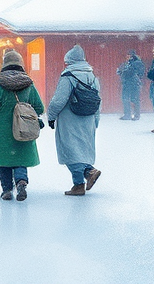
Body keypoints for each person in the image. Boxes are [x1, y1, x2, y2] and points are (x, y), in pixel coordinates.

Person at [0, 49, 43, 201]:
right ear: (20, 63)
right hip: (23, 129)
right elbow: (39, 107)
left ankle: (7, 189)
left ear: (5, 64)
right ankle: (21, 181)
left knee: (3, 161)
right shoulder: (28, 83)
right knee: (20, 159)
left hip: (1, 132)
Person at [47, 45, 102, 196]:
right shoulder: (92, 77)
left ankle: (82, 180)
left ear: (69, 61)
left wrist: (51, 116)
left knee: (70, 150)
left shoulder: (68, 77)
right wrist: (96, 120)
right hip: (88, 119)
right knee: (82, 149)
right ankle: (86, 174)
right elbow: (98, 101)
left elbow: (58, 100)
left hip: (70, 120)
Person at [116, 50, 145, 121]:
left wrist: (125, 72)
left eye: (129, 55)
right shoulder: (127, 63)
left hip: (134, 83)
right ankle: (127, 114)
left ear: (132, 56)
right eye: (127, 55)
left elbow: (137, 72)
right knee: (125, 98)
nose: (127, 56)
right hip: (126, 83)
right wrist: (121, 72)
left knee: (134, 99)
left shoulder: (137, 63)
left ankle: (136, 115)